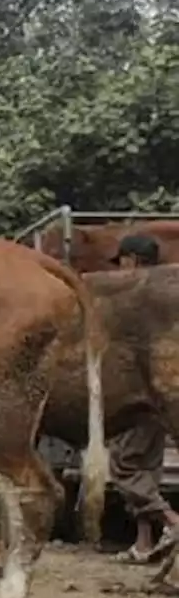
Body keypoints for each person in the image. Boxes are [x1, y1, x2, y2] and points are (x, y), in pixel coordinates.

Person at [107, 233, 179, 564]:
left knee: (124, 465)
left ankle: (172, 522)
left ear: (132, 261)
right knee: (146, 468)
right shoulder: (165, 292)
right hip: (161, 395)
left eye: (121, 261)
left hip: (135, 392)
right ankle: (144, 543)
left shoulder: (131, 294)